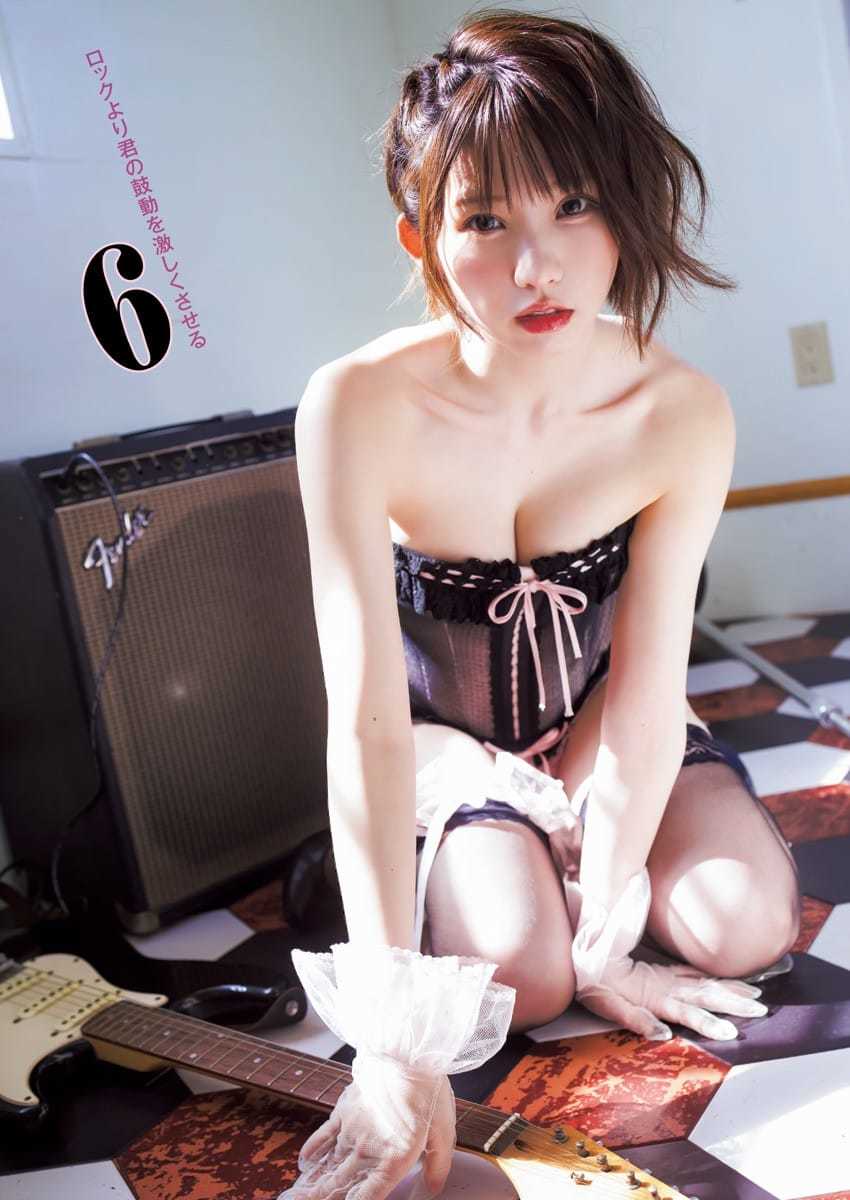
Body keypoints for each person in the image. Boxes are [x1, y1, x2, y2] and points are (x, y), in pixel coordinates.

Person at [279, 9, 802, 1199]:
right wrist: (392, 1037)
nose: (538, 267)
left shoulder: (679, 409)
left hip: (604, 719)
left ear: (626, 205)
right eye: (484, 222)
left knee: (742, 926)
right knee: (525, 979)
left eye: (575, 205)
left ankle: (575, 896)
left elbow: (648, 683)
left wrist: (607, 902)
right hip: (438, 741)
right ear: (419, 236)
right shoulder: (355, 405)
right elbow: (366, 719)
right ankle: (474, 884)